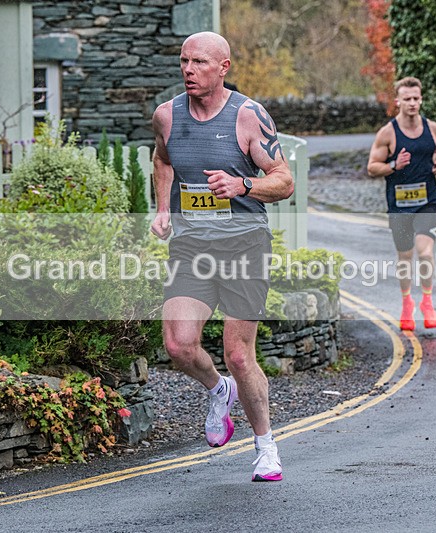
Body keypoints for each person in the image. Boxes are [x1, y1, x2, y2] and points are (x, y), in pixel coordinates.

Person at [150, 31, 294, 482]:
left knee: (238, 353)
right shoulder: (166, 115)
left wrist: (243, 185)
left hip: (243, 245)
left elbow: (284, 180)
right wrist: (161, 209)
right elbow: (163, 160)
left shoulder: (248, 117)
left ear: (223, 67)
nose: (189, 70)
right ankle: (218, 391)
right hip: (192, 246)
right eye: (184, 61)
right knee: (178, 345)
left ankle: (265, 446)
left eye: (200, 63)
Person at [366, 77, 436, 331]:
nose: (412, 103)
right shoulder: (388, 133)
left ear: (421, 100)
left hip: (427, 200)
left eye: (416, 98)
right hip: (400, 204)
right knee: (405, 256)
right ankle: (406, 303)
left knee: (425, 253)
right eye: (407, 99)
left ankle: (427, 300)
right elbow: (372, 167)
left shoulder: (432, 128)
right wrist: (394, 165)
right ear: (398, 101)